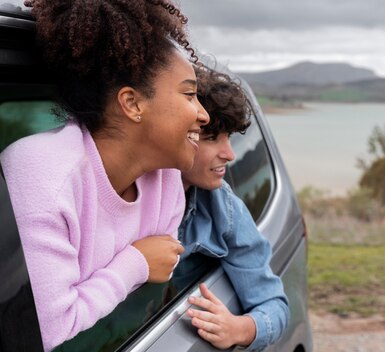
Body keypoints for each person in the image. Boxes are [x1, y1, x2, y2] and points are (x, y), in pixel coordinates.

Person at [0, 1, 208, 350]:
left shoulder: (166, 177)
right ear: (132, 103)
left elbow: (166, 265)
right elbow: (48, 329)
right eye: (189, 94)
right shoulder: (45, 176)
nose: (203, 114)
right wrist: (135, 263)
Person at [174, 67, 289, 351]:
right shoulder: (127, 197)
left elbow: (274, 305)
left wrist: (240, 329)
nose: (230, 154)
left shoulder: (223, 208)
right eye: (212, 138)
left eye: (229, 137)